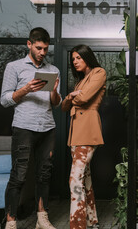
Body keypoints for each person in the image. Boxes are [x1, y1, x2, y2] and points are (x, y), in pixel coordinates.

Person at [0, 27, 61, 229]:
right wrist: (25, 89)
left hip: (47, 127)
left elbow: (56, 103)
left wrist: (53, 91)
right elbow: (4, 100)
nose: (43, 52)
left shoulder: (53, 70)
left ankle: (42, 218)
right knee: (19, 174)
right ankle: (11, 221)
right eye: (39, 48)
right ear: (29, 44)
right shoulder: (14, 67)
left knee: (44, 174)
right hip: (23, 127)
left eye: (45, 49)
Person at [61, 45, 106, 229]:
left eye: (78, 57)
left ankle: (78, 226)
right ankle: (92, 221)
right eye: (73, 59)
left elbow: (84, 98)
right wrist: (72, 95)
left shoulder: (99, 72)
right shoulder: (80, 81)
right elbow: (65, 106)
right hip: (76, 135)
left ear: (87, 57)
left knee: (74, 179)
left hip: (88, 132)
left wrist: (73, 97)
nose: (75, 62)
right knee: (84, 179)